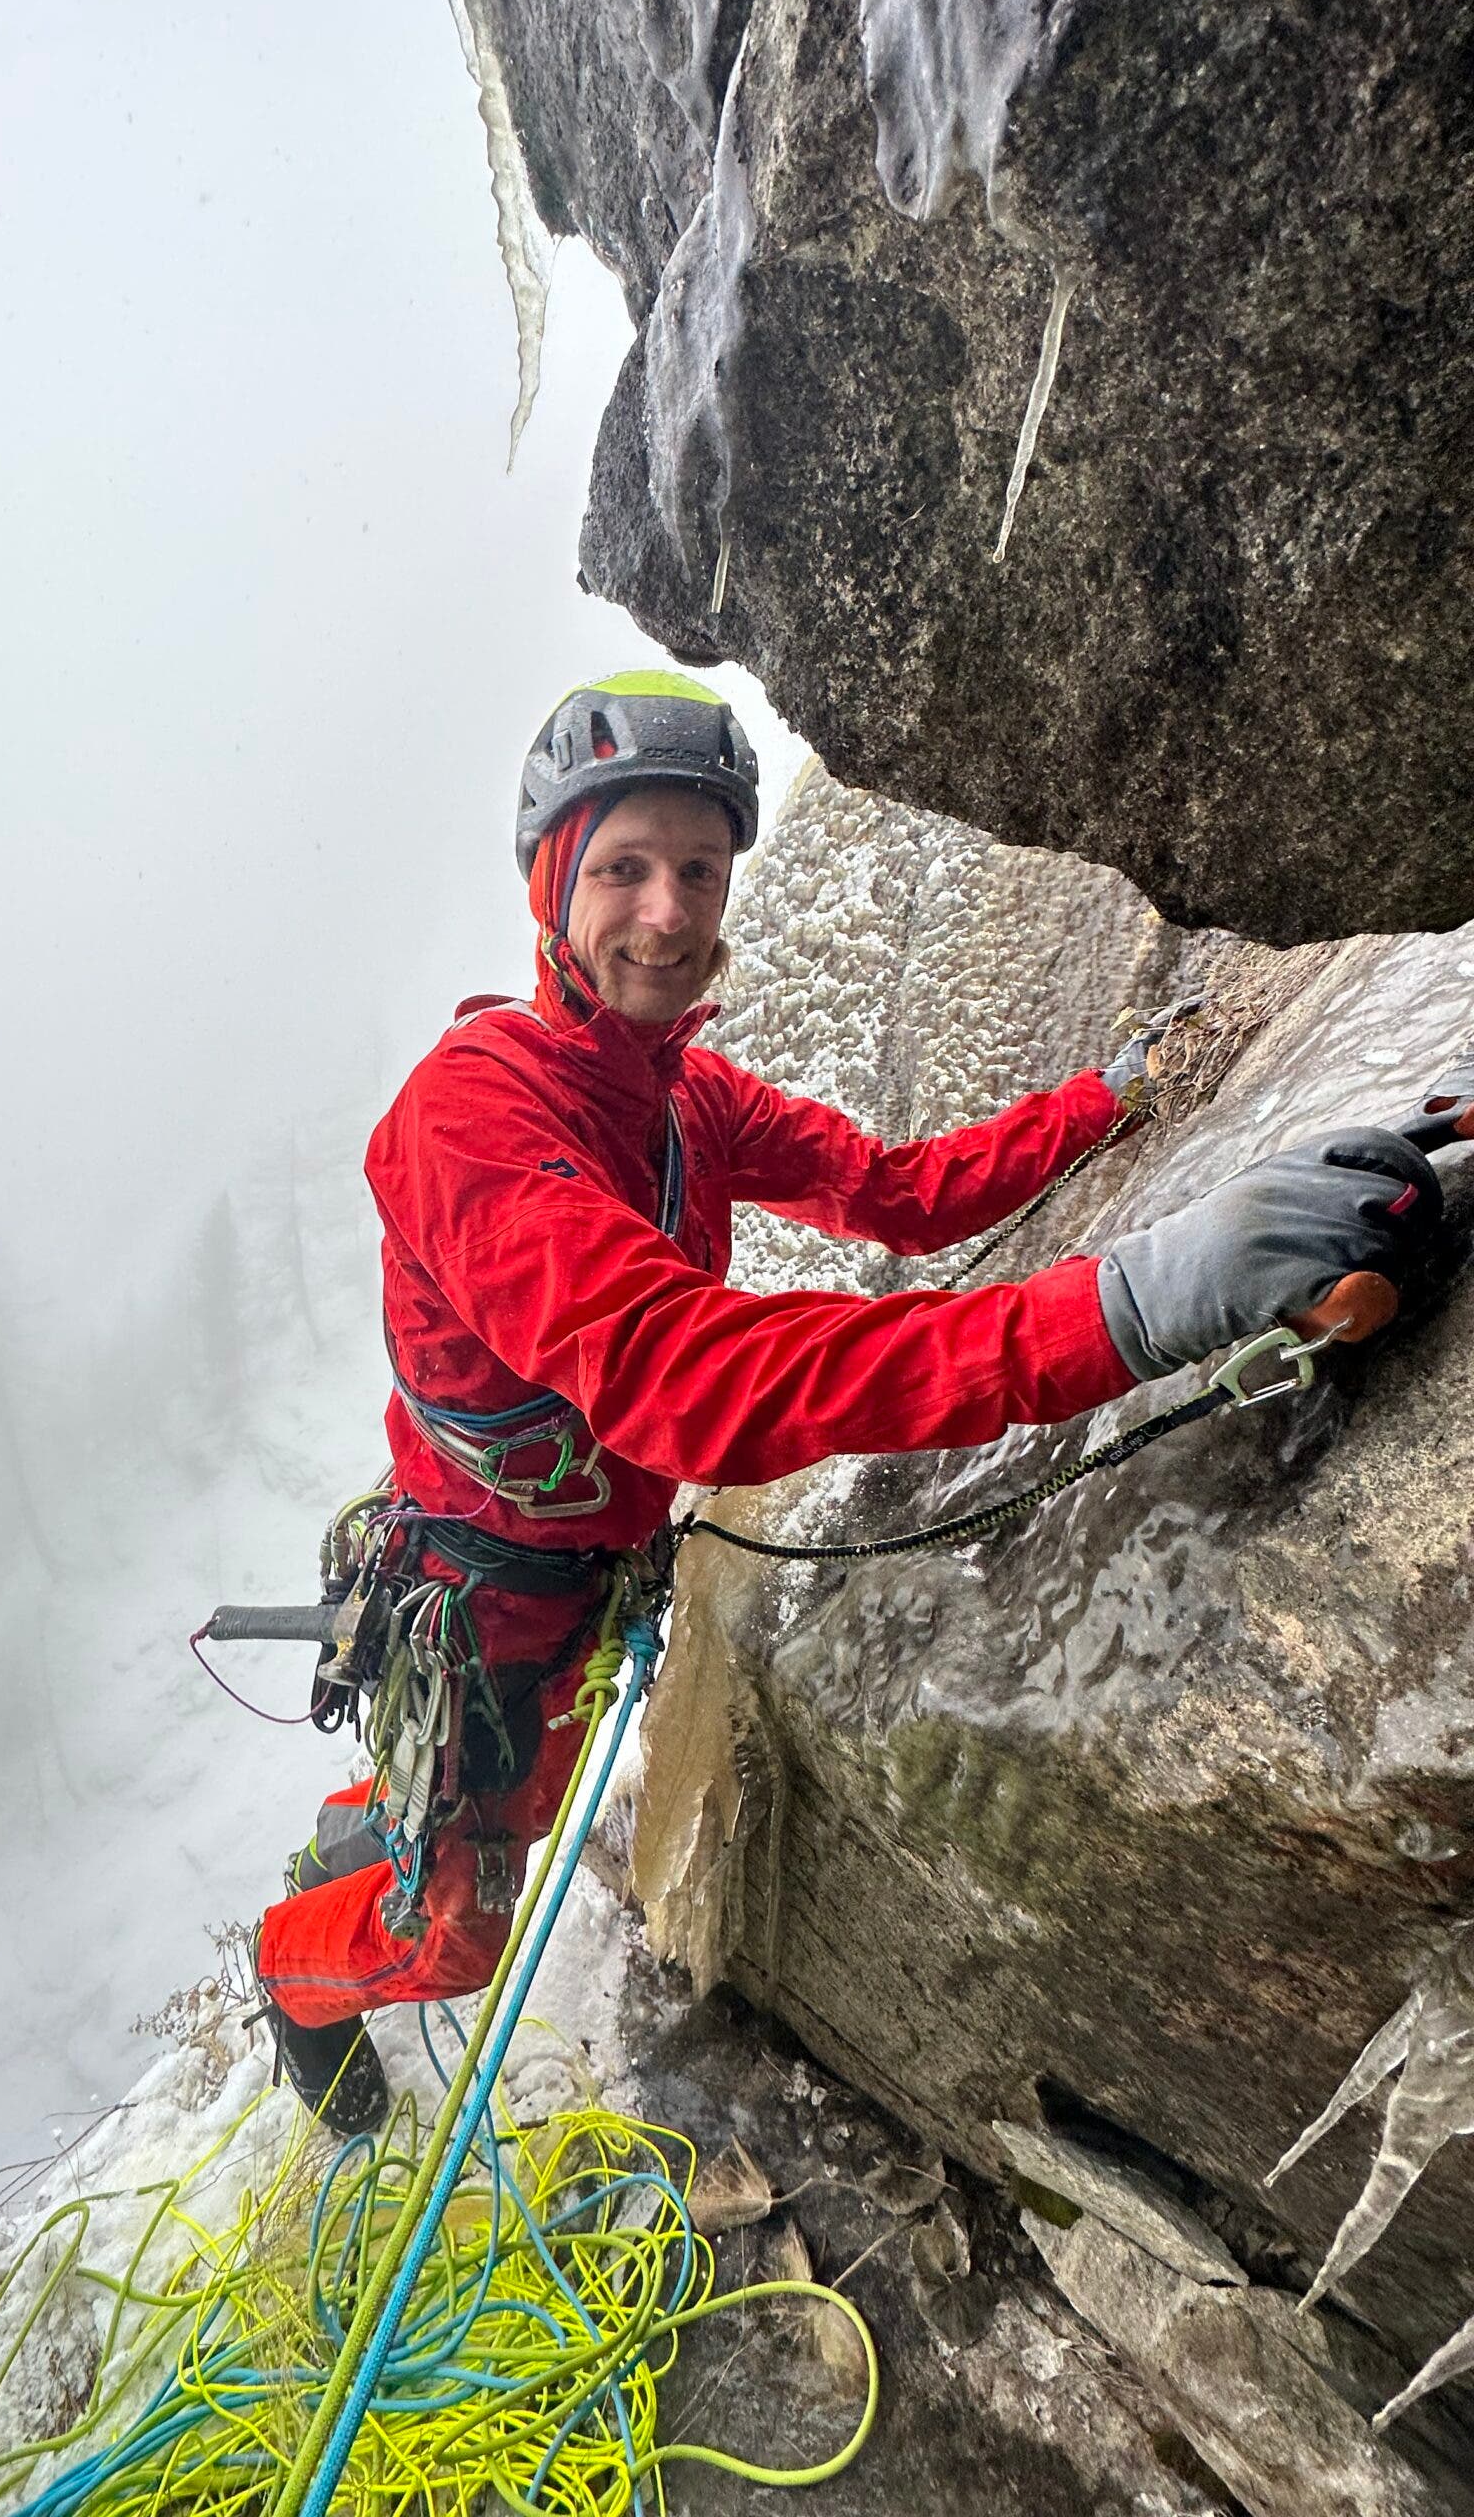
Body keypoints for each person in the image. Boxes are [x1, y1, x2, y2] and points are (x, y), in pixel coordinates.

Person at [252, 669, 1450, 2133]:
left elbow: (896, 1197)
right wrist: (1133, 1304)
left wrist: (1106, 1101)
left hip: (577, 1580)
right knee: (454, 1934)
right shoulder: (471, 1116)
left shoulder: (685, 1101)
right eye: (623, 870)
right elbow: (688, 1381)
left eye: (700, 870)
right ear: (553, 886)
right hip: (485, 1610)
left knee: (522, 1823)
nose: (671, 914)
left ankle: (363, 1837)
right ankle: (287, 1973)